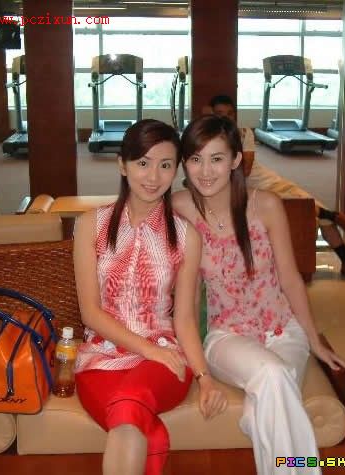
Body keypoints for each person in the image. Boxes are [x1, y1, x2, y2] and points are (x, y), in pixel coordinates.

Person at [173, 115, 345, 475]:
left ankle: (258, 426)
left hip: (284, 331)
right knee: (273, 373)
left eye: (217, 158)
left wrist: (314, 341)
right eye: (195, 159)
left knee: (264, 405)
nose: (205, 171)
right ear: (184, 163)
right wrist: (196, 367)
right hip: (226, 336)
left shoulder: (265, 205)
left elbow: (291, 279)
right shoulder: (180, 207)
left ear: (236, 160)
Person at [73, 119, 227, 475]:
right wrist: (147, 349)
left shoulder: (186, 236)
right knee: (134, 421)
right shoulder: (90, 225)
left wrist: (204, 377)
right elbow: (90, 313)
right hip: (100, 358)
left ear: (176, 170)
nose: (153, 176)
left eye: (165, 165)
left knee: (129, 405)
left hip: (163, 362)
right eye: (143, 163)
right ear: (122, 165)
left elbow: (184, 318)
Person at [205, 94, 345, 282]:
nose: (225, 118)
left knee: (306, 205)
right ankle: (331, 215)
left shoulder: (243, 133)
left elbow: (246, 169)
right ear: (212, 115)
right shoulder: (208, 138)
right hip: (247, 192)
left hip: (266, 182)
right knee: (305, 209)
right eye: (220, 114)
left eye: (230, 114)